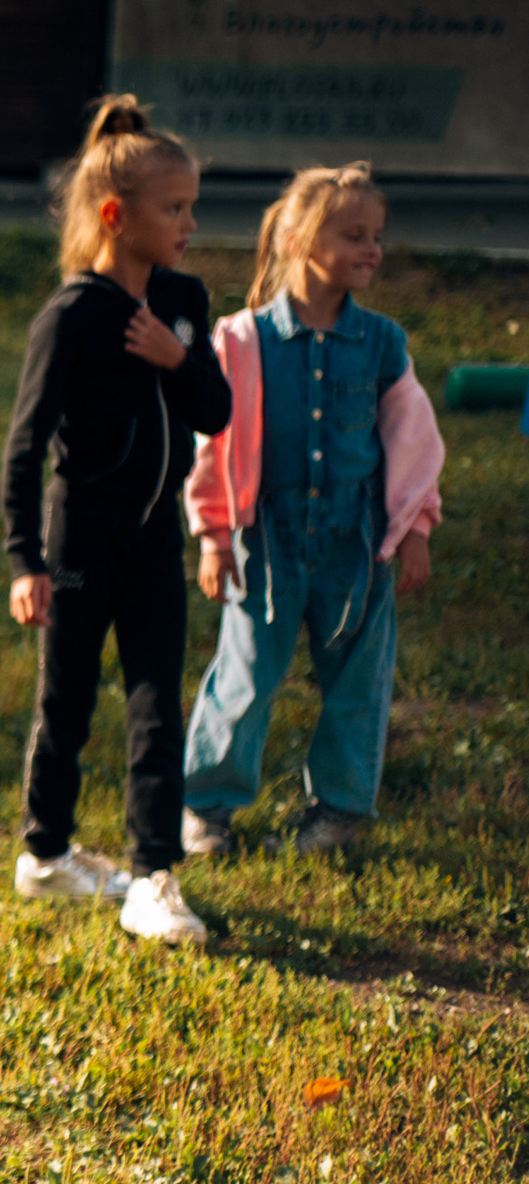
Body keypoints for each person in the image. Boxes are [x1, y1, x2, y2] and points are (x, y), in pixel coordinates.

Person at [0, 95, 232, 944]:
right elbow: (24, 445)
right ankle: (46, 855)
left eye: (191, 206)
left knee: (155, 702)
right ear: (114, 215)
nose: (189, 223)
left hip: (154, 538)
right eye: (174, 209)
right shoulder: (72, 317)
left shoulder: (182, 299)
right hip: (80, 538)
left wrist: (179, 358)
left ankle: (152, 875)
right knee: (66, 699)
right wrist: (26, 558)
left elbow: (216, 410)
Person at [181, 164, 442, 857]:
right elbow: (216, 442)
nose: (371, 249)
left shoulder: (383, 342)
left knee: (358, 684)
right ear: (298, 237)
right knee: (244, 677)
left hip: (356, 548)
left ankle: (336, 815)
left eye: (376, 236)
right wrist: (212, 535)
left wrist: (415, 526)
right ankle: (207, 810)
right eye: (353, 234)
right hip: (265, 539)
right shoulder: (241, 340)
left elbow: (413, 439)